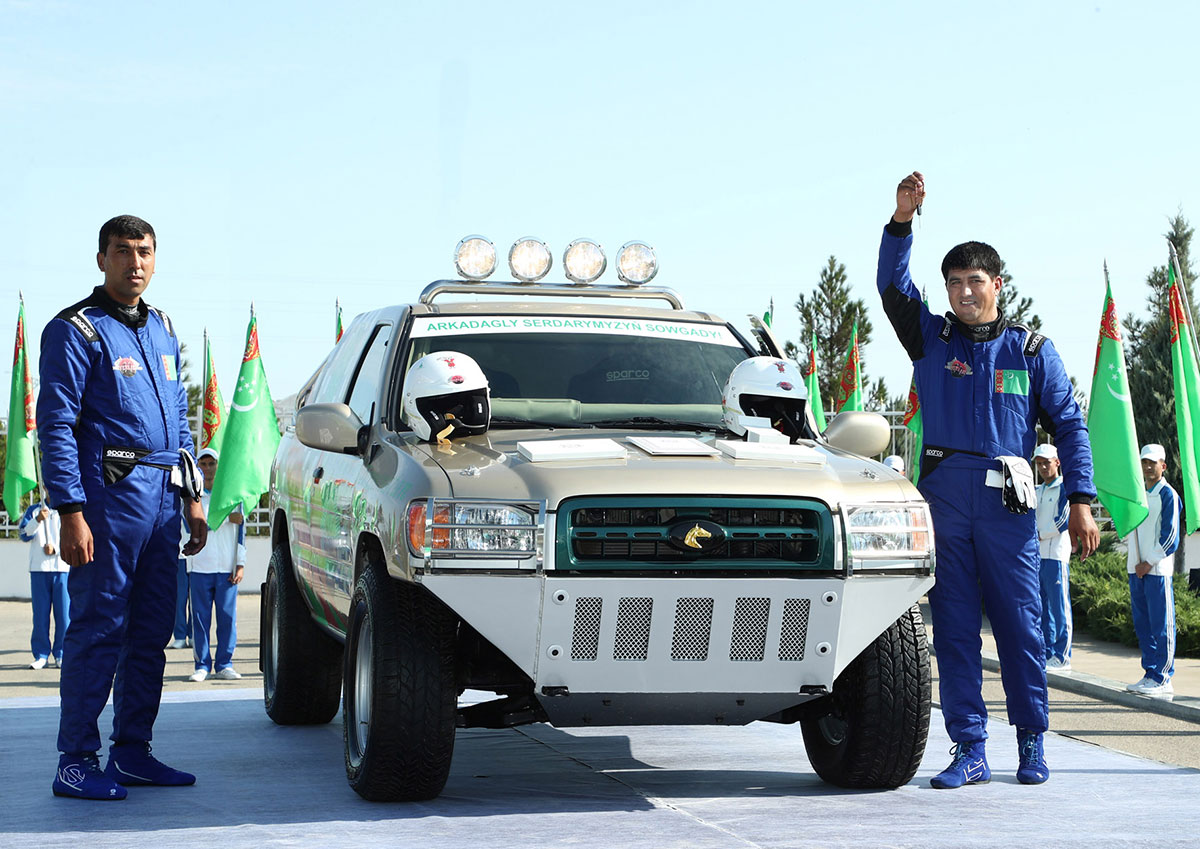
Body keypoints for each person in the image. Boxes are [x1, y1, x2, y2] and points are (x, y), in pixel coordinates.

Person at [876, 172, 1099, 789]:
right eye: (954, 283)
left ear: (997, 285)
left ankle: (1031, 743)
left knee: (1021, 625)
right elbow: (893, 287)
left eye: (976, 281)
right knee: (951, 627)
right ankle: (969, 748)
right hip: (946, 494)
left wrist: (1081, 498)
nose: (965, 292)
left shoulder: (1030, 351)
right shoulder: (930, 337)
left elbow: (1071, 426)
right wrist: (901, 223)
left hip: (1008, 503)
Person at [37, 214, 208, 801]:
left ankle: (132, 751)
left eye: (145, 252)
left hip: (164, 501)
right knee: (97, 629)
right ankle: (76, 760)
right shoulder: (75, 331)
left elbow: (180, 420)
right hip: (108, 500)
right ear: (101, 259)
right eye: (122, 251)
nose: (135, 262)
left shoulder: (161, 327)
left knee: (153, 630)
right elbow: (55, 427)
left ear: (154, 259)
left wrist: (193, 500)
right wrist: (70, 510)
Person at [185, 447, 245, 682]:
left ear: (219, 467)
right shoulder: (192, 497)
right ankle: (201, 665)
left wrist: (240, 563)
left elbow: (242, 531)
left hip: (226, 567)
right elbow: (192, 525)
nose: (208, 469)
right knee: (200, 619)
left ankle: (224, 664)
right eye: (204, 464)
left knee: (227, 619)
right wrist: (222, 519)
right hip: (200, 565)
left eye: (212, 464)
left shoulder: (232, 497)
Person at [1125, 443, 1180, 700]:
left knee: (1161, 624)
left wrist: (1149, 561)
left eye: (1152, 462)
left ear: (1163, 465)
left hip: (1156, 570)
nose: (1147, 466)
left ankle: (1163, 677)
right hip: (1135, 569)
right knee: (1143, 624)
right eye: (1144, 462)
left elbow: (1171, 538)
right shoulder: (1138, 494)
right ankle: (1149, 673)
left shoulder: (1168, 494)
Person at [1034, 443, 1073, 670]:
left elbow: (1062, 521)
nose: (1042, 467)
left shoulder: (1064, 489)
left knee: (1059, 607)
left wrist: (1039, 533)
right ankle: (1048, 652)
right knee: (1042, 607)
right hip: (1038, 557)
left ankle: (1062, 654)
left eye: (1046, 463)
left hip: (1057, 556)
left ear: (1057, 463)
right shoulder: (1037, 490)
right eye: (1039, 463)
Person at [18, 500, 70, 669]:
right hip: (39, 569)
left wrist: (56, 550)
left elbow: (74, 536)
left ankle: (61, 653)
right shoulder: (34, 510)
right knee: (40, 615)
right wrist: (37, 520)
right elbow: (24, 534)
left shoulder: (66, 509)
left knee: (64, 616)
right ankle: (41, 654)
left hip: (62, 568)